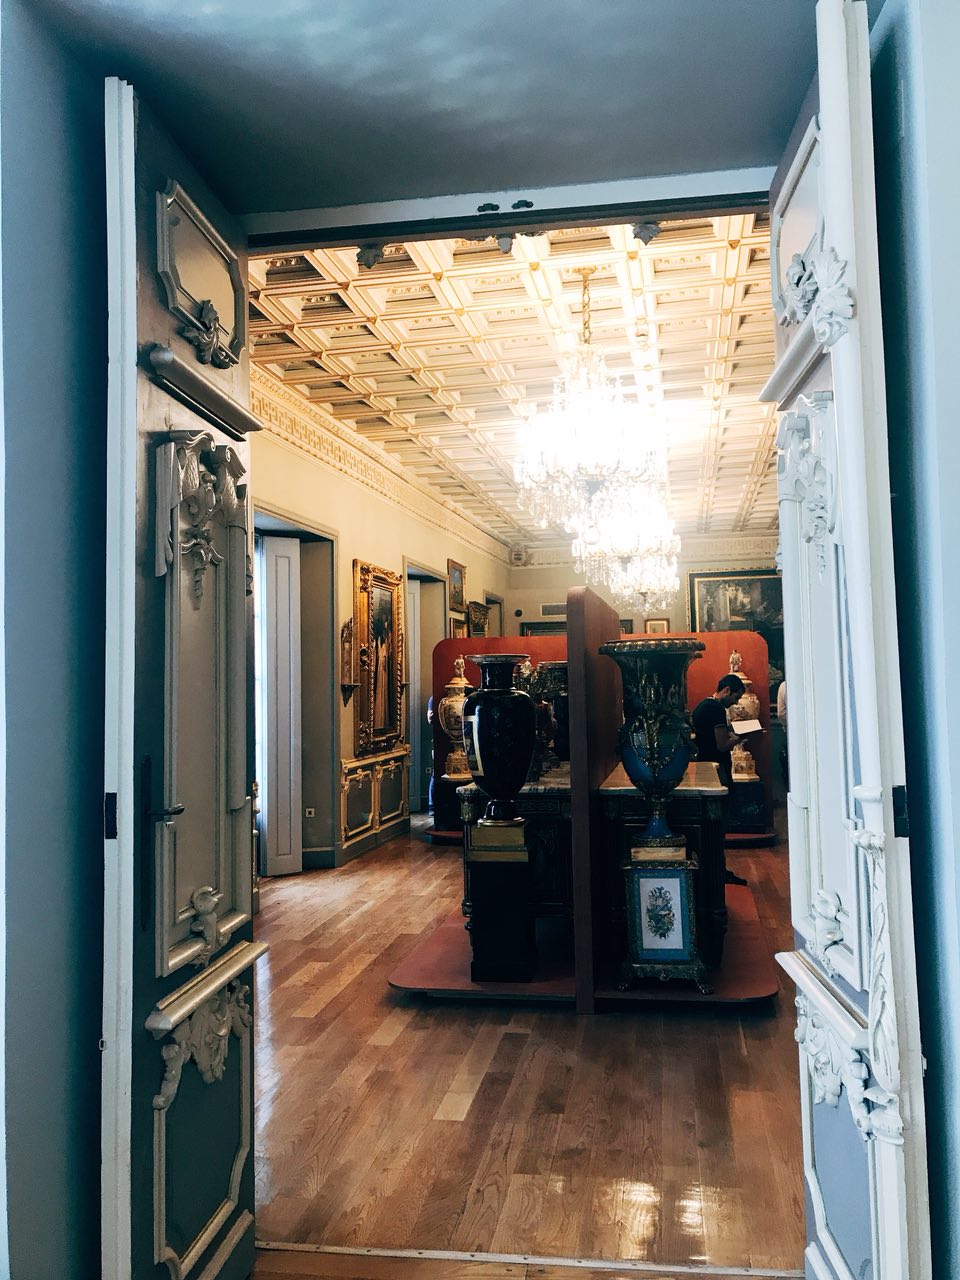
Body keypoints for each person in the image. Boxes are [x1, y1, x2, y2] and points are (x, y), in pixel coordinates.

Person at [692, 674, 759, 886]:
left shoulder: (703, 705)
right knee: (718, 823)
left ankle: (715, 869)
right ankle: (717, 870)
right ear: (727, 689)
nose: (735, 702)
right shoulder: (715, 709)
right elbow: (721, 745)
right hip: (716, 769)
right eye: (736, 697)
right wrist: (742, 737)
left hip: (704, 768)